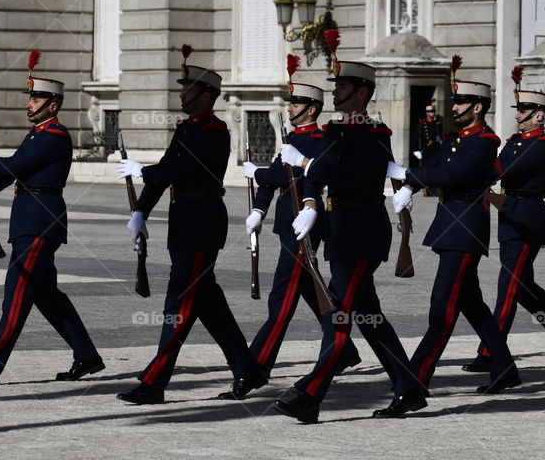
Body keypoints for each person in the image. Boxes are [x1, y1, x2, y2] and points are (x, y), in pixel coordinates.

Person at [273, 43, 421, 424]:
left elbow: (345, 175)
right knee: (368, 315)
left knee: (340, 314)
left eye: (342, 87)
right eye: (335, 86)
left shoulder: (372, 133)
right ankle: (409, 387)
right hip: (341, 231)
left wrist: (306, 163)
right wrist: (310, 200)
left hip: (361, 233)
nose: (334, 92)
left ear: (363, 92)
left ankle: (309, 393)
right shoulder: (339, 130)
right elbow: (322, 173)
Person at [114, 46, 262, 405]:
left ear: (206, 94)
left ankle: (154, 382)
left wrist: (142, 170)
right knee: (208, 304)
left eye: (188, 88)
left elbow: (184, 171)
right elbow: (165, 173)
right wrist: (141, 212)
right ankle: (247, 368)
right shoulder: (186, 129)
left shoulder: (214, 131)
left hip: (202, 223)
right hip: (184, 222)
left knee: (178, 303)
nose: (181, 94)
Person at [0, 50, 103, 385]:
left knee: (16, 295)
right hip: (29, 222)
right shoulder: (37, 135)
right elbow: (14, 168)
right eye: (30, 97)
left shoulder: (55, 137)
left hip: (40, 223)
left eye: (37, 98)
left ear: (54, 105)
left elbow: (15, 165)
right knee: (47, 295)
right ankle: (87, 355)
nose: (30, 103)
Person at [386, 65, 521, 406]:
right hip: (450, 223)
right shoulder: (457, 138)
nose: (455, 107)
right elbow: (434, 163)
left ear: (478, 107)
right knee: (471, 304)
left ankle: (415, 383)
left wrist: (410, 177)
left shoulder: (485, 141)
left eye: (461, 102)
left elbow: (454, 174)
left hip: (465, 227)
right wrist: (413, 180)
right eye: (454, 101)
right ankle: (504, 368)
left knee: (442, 308)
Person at [240, 56, 360, 390]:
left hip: (303, 224)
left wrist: (260, 172)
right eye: (291, 102)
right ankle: (344, 349)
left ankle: (257, 367)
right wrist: (259, 211)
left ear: (311, 108)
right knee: (311, 289)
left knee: (282, 297)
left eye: (296, 103)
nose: (290, 108)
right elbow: (272, 181)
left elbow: (285, 174)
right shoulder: (293, 139)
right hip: (286, 222)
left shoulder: (319, 141)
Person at [461, 80, 545, 374]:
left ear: (539, 116)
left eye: (524, 111)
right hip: (509, 215)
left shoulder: (543, 145)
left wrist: (475, 175)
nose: (517, 116)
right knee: (524, 288)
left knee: (508, 288)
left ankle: (492, 351)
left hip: (527, 216)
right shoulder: (516, 142)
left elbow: (506, 169)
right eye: (519, 111)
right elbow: (497, 168)